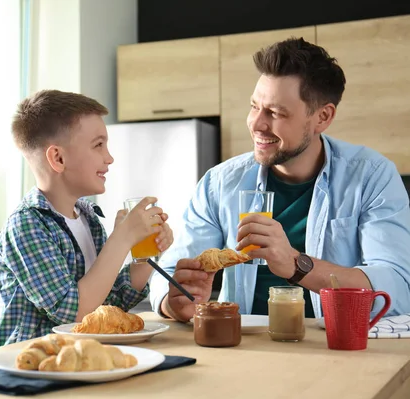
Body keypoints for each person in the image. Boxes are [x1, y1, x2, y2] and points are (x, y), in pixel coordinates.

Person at [149, 37, 410, 323]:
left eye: (275, 113)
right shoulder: (219, 183)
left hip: (333, 347)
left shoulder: (372, 177)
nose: (257, 124)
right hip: (242, 346)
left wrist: (296, 265)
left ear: (323, 117)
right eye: (254, 106)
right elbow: (169, 273)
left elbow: (397, 288)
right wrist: (174, 303)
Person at [0, 89, 174, 345]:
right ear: (58, 157)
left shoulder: (89, 220)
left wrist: (143, 252)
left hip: (86, 360)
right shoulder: (26, 226)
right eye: (98, 145)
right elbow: (74, 313)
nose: (109, 158)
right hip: (33, 367)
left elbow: (110, 302)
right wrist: (121, 240)